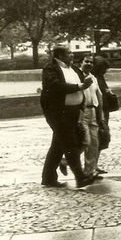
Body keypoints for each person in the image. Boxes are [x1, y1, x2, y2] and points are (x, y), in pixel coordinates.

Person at [39, 46, 94, 188]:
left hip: (74, 111)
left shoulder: (74, 69)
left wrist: (81, 105)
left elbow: (83, 85)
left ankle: (48, 177)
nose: (72, 55)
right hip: (58, 112)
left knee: (58, 145)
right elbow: (55, 86)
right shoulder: (50, 69)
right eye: (69, 53)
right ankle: (80, 177)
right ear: (59, 55)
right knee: (70, 143)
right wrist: (79, 87)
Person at [79, 60, 103, 180]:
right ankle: (65, 161)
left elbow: (99, 95)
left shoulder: (94, 78)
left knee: (94, 142)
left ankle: (89, 171)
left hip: (93, 110)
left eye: (91, 62)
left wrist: (101, 115)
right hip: (82, 111)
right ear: (81, 63)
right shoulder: (77, 76)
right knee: (85, 141)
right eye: (86, 61)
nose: (88, 64)